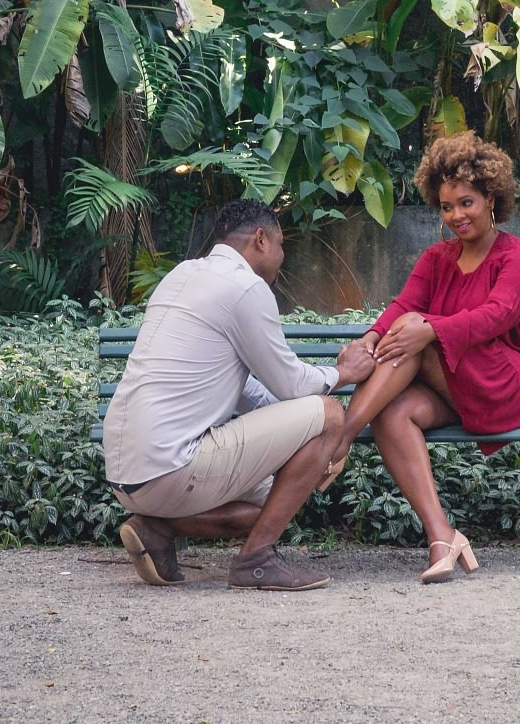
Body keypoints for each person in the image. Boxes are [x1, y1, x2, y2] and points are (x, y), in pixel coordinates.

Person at [103, 198, 377, 591]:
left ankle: (155, 529)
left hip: (125, 474)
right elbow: (291, 385)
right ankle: (257, 560)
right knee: (330, 414)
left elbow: (251, 391)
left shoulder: (182, 275)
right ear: (261, 240)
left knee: (275, 496)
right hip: (171, 468)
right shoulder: (246, 287)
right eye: (283, 245)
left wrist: (303, 436)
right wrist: (343, 374)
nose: (283, 257)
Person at [325, 131, 520, 583]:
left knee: (420, 332)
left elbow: (497, 316)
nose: (456, 216)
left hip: (516, 383)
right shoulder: (437, 258)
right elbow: (401, 306)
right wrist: (370, 339)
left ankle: (340, 437)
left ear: (492, 196)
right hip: (458, 381)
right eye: (446, 206)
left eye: (466, 203)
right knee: (393, 413)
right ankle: (442, 537)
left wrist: (427, 329)